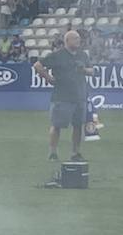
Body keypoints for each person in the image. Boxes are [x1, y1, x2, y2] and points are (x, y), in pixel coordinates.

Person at [33, 29, 93, 161]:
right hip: (62, 96)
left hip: (79, 95)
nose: (79, 40)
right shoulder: (58, 55)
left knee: (78, 125)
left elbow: (92, 70)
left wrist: (84, 70)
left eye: (79, 38)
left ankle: (75, 152)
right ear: (67, 41)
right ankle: (53, 152)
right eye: (75, 38)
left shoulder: (83, 55)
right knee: (57, 125)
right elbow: (38, 65)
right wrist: (48, 78)